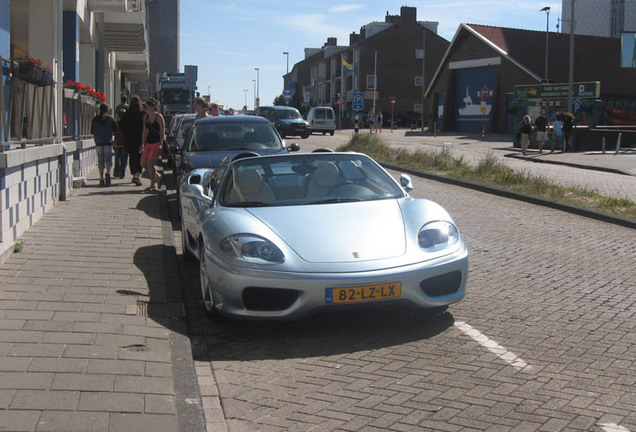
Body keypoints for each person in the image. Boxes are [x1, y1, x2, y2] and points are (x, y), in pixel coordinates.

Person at [140, 98, 165, 193]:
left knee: (150, 163)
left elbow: (162, 132)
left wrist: (161, 143)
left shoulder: (159, 117)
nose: (148, 109)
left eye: (150, 107)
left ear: (154, 107)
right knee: (143, 163)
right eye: (146, 107)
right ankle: (158, 176)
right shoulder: (145, 117)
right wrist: (142, 144)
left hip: (156, 142)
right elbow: (144, 131)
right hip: (148, 143)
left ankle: (152, 185)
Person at [119, 95, 145, 186]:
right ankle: (137, 176)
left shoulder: (127, 114)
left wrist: (126, 133)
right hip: (140, 139)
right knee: (139, 158)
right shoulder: (142, 114)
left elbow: (121, 125)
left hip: (130, 139)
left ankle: (135, 174)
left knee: (132, 157)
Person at [91, 103, 116, 186]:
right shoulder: (110, 119)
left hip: (98, 142)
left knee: (100, 160)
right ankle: (108, 173)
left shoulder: (95, 119)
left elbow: (92, 131)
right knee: (108, 159)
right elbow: (115, 129)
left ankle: (101, 178)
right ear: (107, 110)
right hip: (108, 142)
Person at [113, 108, 128, 179]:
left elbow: (113, 132)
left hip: (117, 143)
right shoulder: (127, 123)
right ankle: (122, 173)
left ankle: (116, 172)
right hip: (125, 144)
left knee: (117, 158)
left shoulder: (116, 123)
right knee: (124, 159)